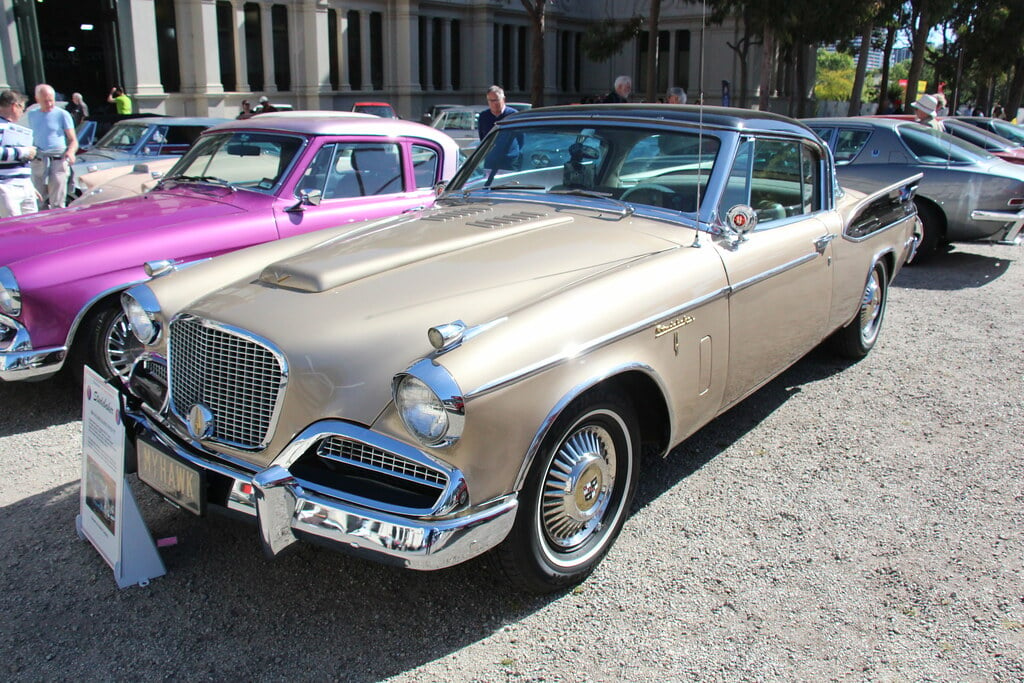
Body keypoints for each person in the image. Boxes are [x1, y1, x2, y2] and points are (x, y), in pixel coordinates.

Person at [27, 83, 78, 210]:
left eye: (51, 100)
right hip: (39, 160)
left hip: (57, 159)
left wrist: (71, 152)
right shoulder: (32, 115)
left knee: (58, 202)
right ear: (37, 99)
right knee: (39, 200)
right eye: (45, 101)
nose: (49, 104)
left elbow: (73, 140)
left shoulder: (62, 114)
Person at [0, 89, 38, 217]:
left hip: (25, 185)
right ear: (14, 106)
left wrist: (29, 185)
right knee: (14, 229)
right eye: (22, 108)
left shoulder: (16, 128)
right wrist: (24, 151)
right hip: (6, 186)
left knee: (32, 227)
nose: (22, 112)